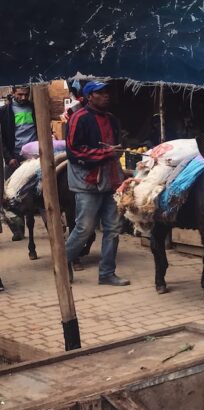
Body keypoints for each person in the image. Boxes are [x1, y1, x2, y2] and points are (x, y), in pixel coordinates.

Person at [65, 81, 129, 286]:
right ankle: (63, 262)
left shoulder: (112, 119)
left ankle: (107, 273)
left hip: (110, 180)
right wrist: (105, 152)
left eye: (106, 92)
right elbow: (74, 151)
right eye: (99, 93)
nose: (105, 96)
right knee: (84, 228)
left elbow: (115, 145)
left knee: (113, 228)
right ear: (89, 97)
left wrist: (117, 150)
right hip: (88, 182)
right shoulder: (78, 118)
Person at [0, 86, 38, 240]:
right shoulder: (5, 112)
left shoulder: (34, 109)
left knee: (37, 189)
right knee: (11, 193)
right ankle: (17, 228)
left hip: (33, 155)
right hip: (14, 155)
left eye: (26, 95)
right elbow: (2, 138)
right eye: (20, 94)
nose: (23, 97)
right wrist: (8, 157)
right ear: (13, 93)